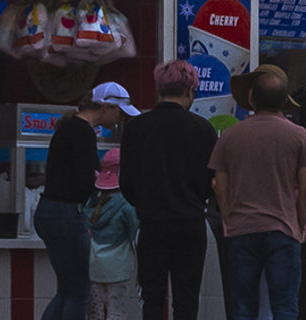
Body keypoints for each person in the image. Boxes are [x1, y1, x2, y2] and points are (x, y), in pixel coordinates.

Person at [212, 67, 306, 320]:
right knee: (285, 307)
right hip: (284, 230)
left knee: (243, 308)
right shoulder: (299, 135)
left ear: (251, 99)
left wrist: (229, 219)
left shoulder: (229, 136)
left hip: (243, 230)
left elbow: (220, 186)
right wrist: (300, 225)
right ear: (284, 101)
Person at [126, 59, 220, 320]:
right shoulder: (203, 128)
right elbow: (210, 182)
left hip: (152, 224)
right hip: (190, 223)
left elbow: (127, 184)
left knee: (153, 299)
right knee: (187, 300)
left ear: (160, 89)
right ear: (190, 90)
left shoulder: (137, 128)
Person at [37, 82, 137, 320]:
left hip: (49, 212)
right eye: (119, 112)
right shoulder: (82, 131)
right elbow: (87, 181)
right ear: (106, 107)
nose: (121, 119)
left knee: (69, 290)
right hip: (66, 214)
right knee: (80, 290)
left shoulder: (70, 127)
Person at [85, 149, 143, 320]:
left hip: (96, 264)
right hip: (118, 265)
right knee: (117, 311)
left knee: (107, 306)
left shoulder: (93, 201)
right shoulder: (125, 203)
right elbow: (134, 229)